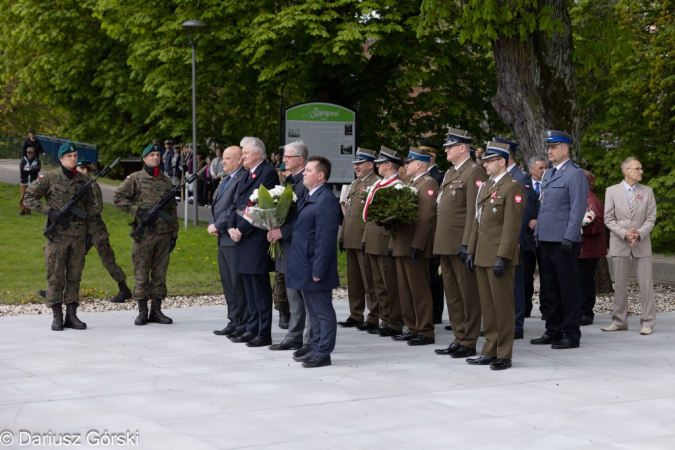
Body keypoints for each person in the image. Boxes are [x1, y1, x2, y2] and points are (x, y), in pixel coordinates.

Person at [465, 142, 525, 370]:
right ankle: (489, 349)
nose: (485, 164)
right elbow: (477, 222)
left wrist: (503, 256)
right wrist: (471, 250)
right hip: (482, 254)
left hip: (499, 256)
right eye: (485, 160)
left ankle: (504, 353)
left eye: (490, 160)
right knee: (488, 307)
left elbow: (511, 226)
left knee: (502, 307)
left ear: (502, 161)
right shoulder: (486, 186)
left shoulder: (513, 187)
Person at [24, 142, 95, 331]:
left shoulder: (84, 180)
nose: (73, 158)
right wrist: (50, 212)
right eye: (69, 156)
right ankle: (57, 315)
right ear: (61, 159)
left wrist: (90, 234)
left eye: (75, 155)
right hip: (57, 235)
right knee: (55, 275)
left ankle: (72, 315)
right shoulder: (49, 178)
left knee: (74, 276)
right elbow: (28, 198)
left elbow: (90, 210)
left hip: (78, 234)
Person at [531, 130, 588, 349]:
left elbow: (577, 208)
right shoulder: (548, 174)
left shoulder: (575, 174)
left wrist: (570, 237)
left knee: (568, 288)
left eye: (554, 147)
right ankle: (553, 330)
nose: (550, 151)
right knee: (550, 287)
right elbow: (544, 206)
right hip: (546, 238)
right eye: (549, 147)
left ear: (565, 149)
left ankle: (571, 333)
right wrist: (538, 234)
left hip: (563, 240)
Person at [433, 127, 487, 358]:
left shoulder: (474, 172)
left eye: (450, 146)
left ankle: (469, 339)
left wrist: (468, 244)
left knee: (468, 294)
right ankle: (458, 336)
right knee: (452, 294)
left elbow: (474, 212)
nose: (445, 149)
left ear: (462, 148)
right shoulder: (450, 173)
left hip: (460, 243)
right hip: (446, 242)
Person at [113, 143, 179, 326]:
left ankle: (156, 311)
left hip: (164, 235)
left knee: (160, 274)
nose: (155, 157)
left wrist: (174, 233)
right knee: (141, 274)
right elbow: (118, 198)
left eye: (158, 154)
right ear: (144, 158)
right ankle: (142, 311)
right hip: (143, 236)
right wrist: (137, 211)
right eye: (152, 155)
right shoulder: (134, 179)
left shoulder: (166, 181)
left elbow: (172, 210)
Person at [287, 156, 341, 368]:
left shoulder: (325, 199)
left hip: (315, 266)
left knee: (323, 312)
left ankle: (323, 353)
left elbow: (325, 239)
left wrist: (318, 269)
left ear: (320, 176)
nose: (304, 173)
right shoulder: (311, 196)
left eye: (308, 170)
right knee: (314, 312)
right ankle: (316, 346)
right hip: (305, 264)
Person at [227, 137, 278, 346]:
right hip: (241, 237)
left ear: (257, 154)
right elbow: (236, 203)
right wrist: (231, 226)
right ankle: (252, 327)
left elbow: (263, 207)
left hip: (255, 238)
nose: (243, 157)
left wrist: (242, 229)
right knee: (249, 287)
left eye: (246, 154)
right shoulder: (247, 174)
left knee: (259, 288)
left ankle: (263, 332)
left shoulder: (268, 173)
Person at [602, 158, 657, 335]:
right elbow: (608, 218)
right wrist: (624, 233)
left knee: (646, 284)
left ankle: (648, 322)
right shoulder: (611, 191)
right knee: (619, 284)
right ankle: (619, 321)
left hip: (642, 242)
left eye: (641, 168)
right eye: (637, 168)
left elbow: (651, 218)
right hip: (620, 241)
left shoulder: (647, 191)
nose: (641, 171)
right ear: (626, 171)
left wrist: (639, 232)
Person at [391, 147, 438, 346]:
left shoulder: (428, 183)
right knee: (405, 290)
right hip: (403, 243)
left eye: (408, 162)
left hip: (414, 245)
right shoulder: (412, 183)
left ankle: (425, 330)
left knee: (418, 289)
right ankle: (412, 327)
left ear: (418, 164)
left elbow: (426, 218)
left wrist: (418, 245)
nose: (405, 166)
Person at [267, 141, 311, 352]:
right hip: (287, 245)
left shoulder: (305, 182)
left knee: (303, 295)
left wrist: (282, 231)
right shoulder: (289, 181)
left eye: (287, 157)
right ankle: (294, 335)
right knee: (291, 294)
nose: (283, 160)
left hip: (298, 246)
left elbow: (305, 217)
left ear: (300, 160)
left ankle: (310, 339)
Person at [493, 136, 536, 340]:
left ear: (506, 155)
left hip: (515, 241)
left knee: (516, 284)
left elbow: (523, 213)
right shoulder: (494, 179)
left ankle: (517, 325)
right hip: (496, 240)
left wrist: (517, 241)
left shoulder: (522, 178)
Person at [75, 160, 132, 303]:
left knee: (108, 261)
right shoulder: (76, 185)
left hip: (96, 230)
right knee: (74, 259)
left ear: (86, 170)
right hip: (82, 230)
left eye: (80, 169)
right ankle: (59, 291)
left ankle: (124, 289)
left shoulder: (92, 185)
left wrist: (83, 214)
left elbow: (98, 207)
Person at [361, 147, 404, 337]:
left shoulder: (397, 186)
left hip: (385, 240)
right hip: (373, 239)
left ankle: (394, 321)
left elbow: (398, 216)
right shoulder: (380, 184)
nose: (377, 166)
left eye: (380, 163)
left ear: (389, 165)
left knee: (389, 284)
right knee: (378, 283)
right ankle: (385, 318)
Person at [337, 148, 380, 330]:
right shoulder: (355, 184)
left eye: (360, 163)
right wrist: (342, 236)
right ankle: (356, 314)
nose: (356, 167)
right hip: (351, 238)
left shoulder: (375, 183)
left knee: (369, 279)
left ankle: (374, 316)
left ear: (370, 165)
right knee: (354, 281)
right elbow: (348, 213)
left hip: (364, 239)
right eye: (355, 164)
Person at [209, 146, 248, 337]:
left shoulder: (242, 178)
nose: (222, 162)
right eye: (223, 158)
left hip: (233, 238)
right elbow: (216, 204)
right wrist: (213, 223)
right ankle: (233, 320)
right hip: (223, 238)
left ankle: (242, 322)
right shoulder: (227, 179)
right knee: (227, 282)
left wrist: (218, 224)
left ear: (239, 159)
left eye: (227, 158)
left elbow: (235, 207)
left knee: (237, 283)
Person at [418, 140, 444, 325]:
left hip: (434, 229)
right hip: (421, 229)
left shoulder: (439, 177)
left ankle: (435, 313)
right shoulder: (418, 177)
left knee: (435, 276)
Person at [578, 170, 607, 326]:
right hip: (580, 248)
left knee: (585, 281)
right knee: (578, 280)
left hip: (588, 250)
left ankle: (586, 313)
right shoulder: (578, 198)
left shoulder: (592, 201)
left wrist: (579, 227)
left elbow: (598, 225)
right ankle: (578, 310)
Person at [523, 156, 547, 319]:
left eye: (545, 168)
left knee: (547, 274)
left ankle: (547, 309)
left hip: (545, 236)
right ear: (531, 170)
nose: (544, 171)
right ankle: (524, 308)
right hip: (527, 238)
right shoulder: (521, 185)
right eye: (540, 168)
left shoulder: (550, 184)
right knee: (526, 274)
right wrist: (528, 222)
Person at [19, 147, 41, 215]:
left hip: (32, 182)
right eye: (29, 152)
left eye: (31, 152)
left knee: (31, 196)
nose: (30, 154)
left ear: (34, 153)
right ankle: (22, 210)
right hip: (24, 182)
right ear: (27, 153)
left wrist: (28, 169)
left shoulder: (37, 161)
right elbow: (22, 171)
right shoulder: (23, 161)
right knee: (23, 196)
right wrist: (32, 170)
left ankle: (29, 211)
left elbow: (37, 169)